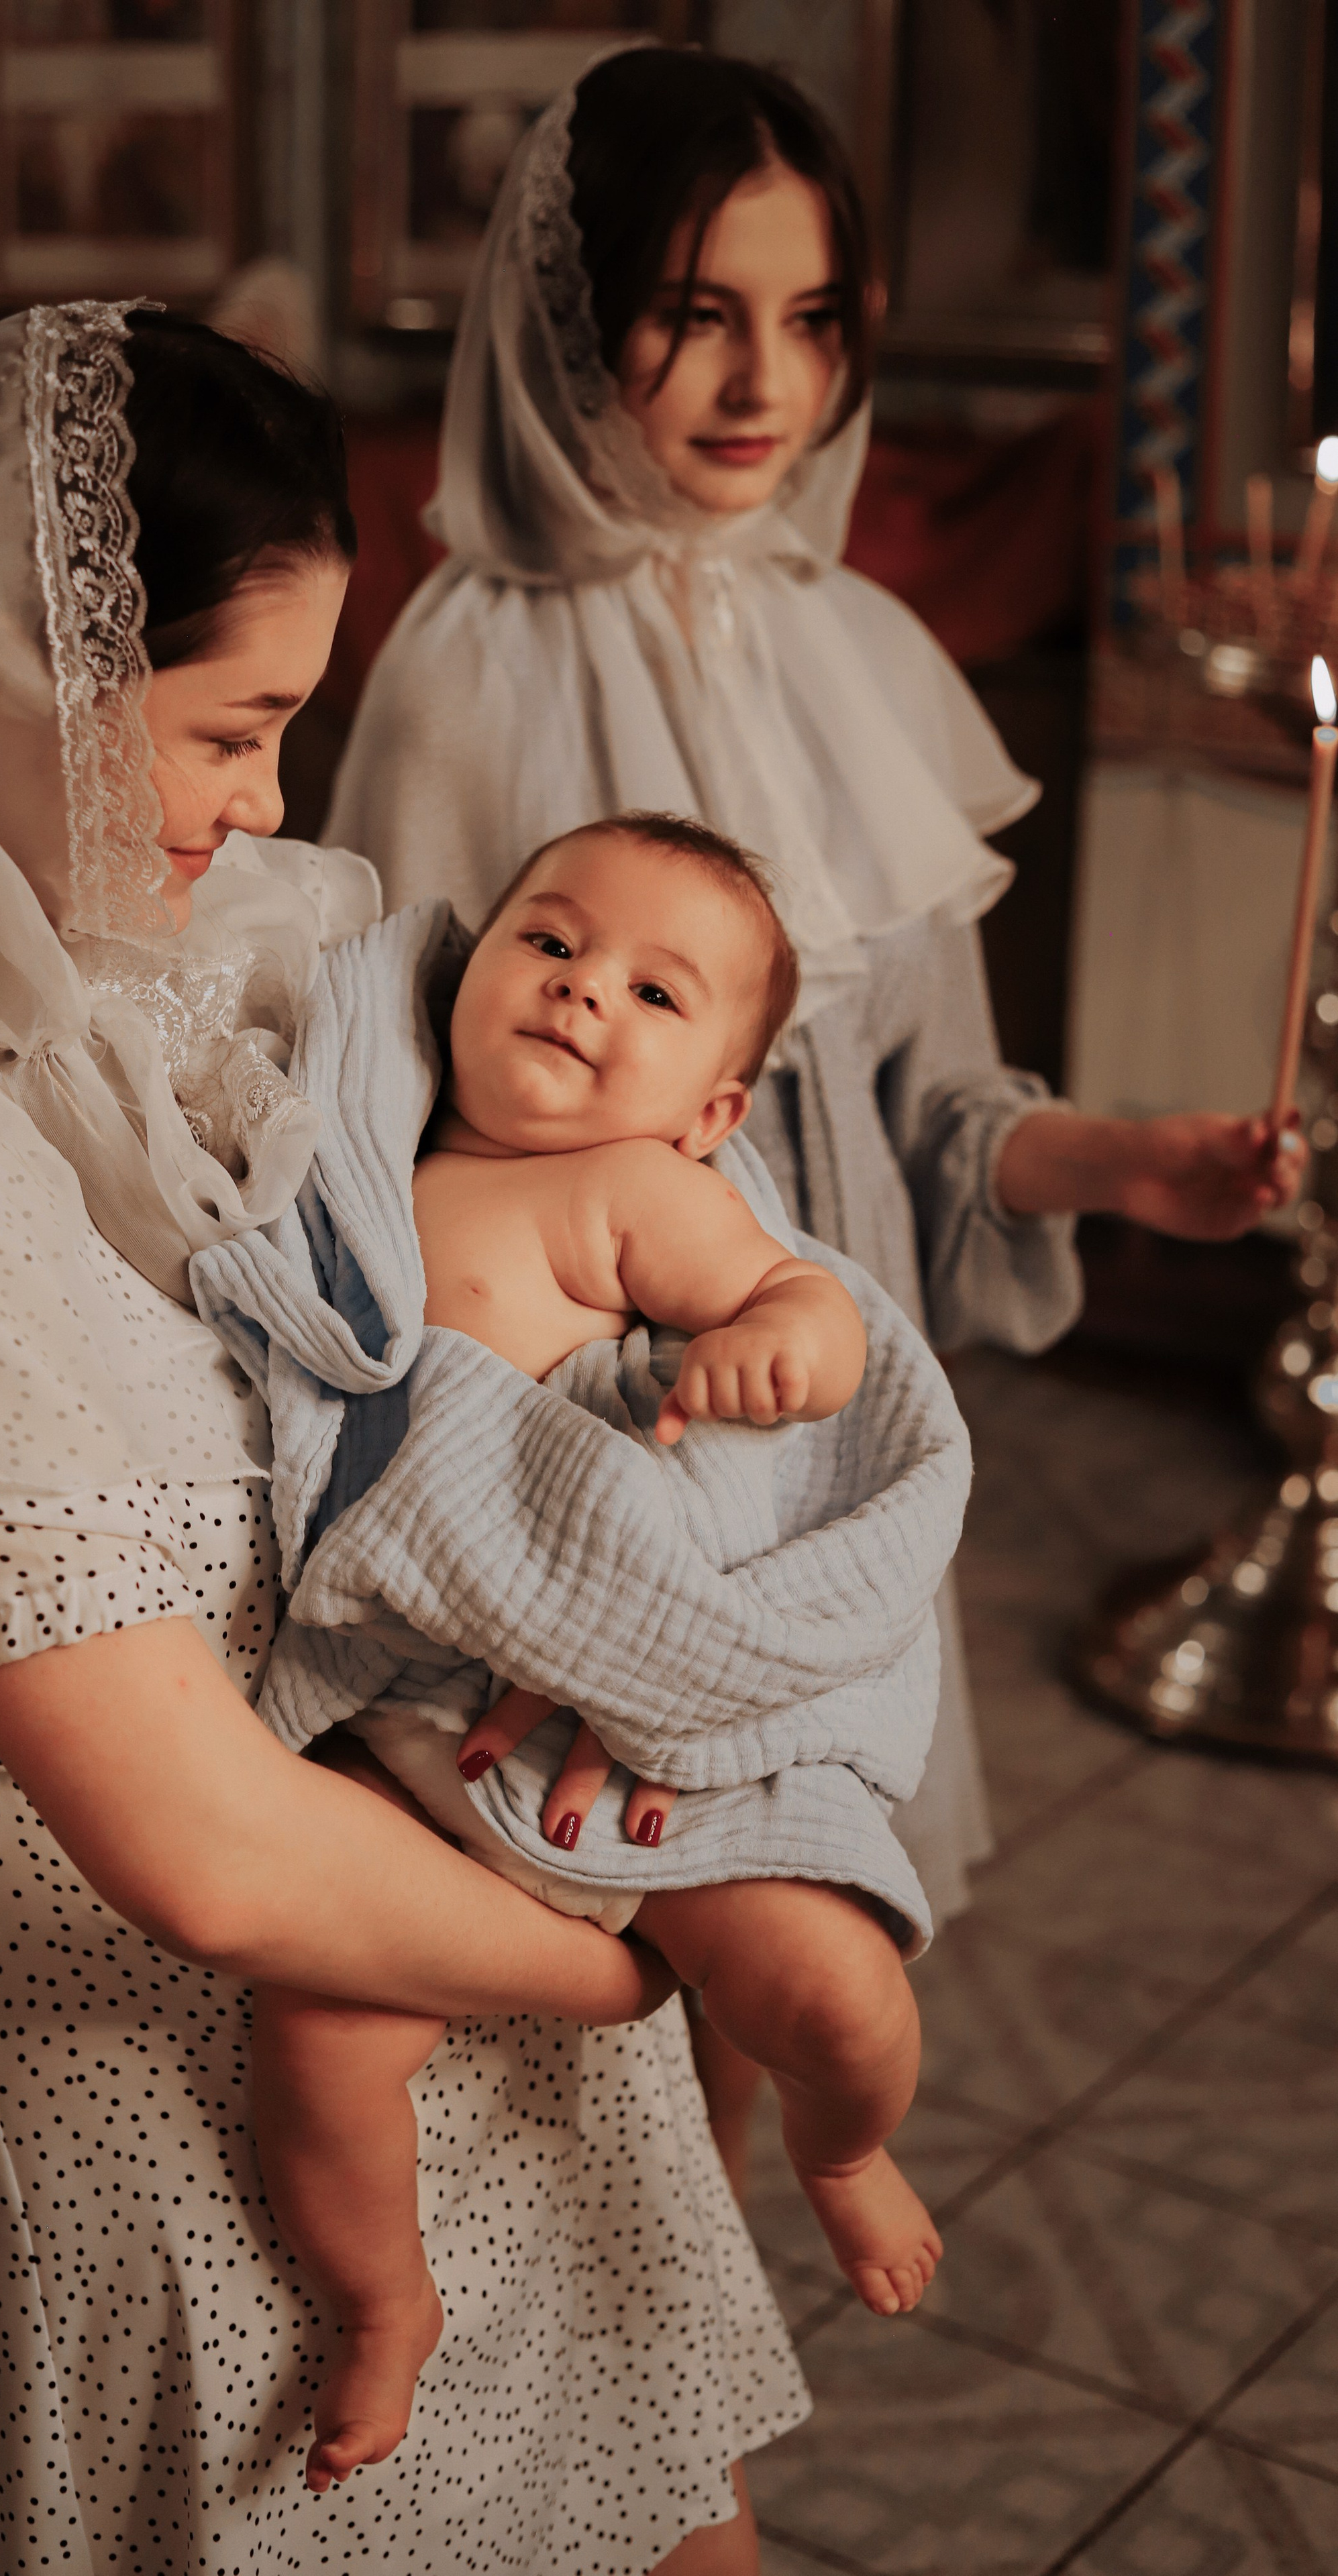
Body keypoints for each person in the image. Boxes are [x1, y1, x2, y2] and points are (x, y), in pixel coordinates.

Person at [0, 305, 807, 2573]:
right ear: (4, 676)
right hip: (175, 2099)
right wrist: (646, 1955)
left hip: (485, 1924)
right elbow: (196, 1852)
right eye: (232, 729)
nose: (274, 805)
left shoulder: (207, 944)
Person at [325, 46, 1304, 2176]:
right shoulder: (471, 671)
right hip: (564, 1471)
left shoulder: (861, 649)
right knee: (563, 1992)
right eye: (698, 310)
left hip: (795, 1455)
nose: (764, 380)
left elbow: (927, 1120)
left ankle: (707, 2360)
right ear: (581, 322)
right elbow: (388, 1148)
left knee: (763, 1967)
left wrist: (1131, 1162)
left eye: (814, 318)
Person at [244, 810, 954, 2497]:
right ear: (465, 976)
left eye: (652, 989)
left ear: (712, 1112)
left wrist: (771, 1349)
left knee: (838, 1989)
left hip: (621, 1729)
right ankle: (383, 2298)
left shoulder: (634, 1190)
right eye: (547, 944)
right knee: (319, 2039)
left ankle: (840, 2145)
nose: (581, 995)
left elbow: (804, 1305)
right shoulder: (372, 1175)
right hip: (416, 1713)